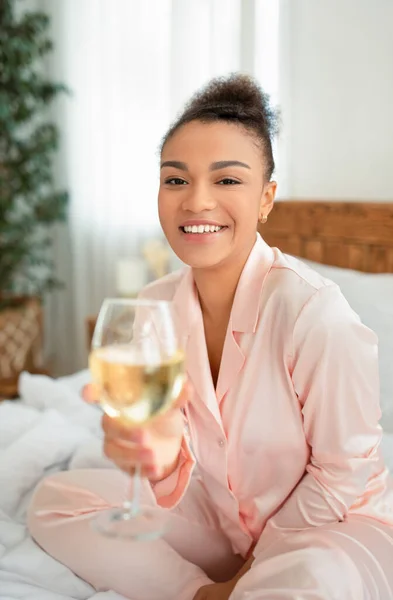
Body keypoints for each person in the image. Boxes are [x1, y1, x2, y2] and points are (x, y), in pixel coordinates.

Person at [28, 74, 393, 600]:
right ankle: (196, 594)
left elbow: (341, 474)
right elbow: (174, 466)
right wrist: (156, 456)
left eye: (226, 181)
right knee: (57, 498)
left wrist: (253, 572)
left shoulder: (315, 313)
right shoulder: (155, 307)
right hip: (222, 518)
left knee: (315, 581)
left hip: (330, 528)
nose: (197, 201)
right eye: (176, 180)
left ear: (266, 198)